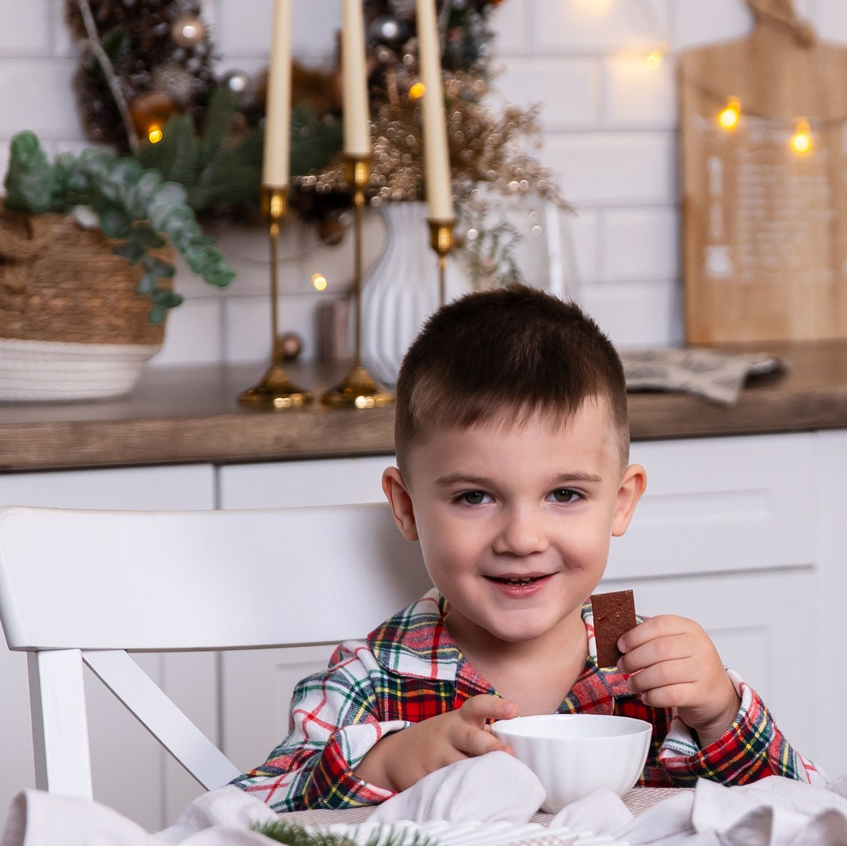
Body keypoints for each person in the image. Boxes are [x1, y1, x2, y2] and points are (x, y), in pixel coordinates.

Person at [243, 288, 810, 808]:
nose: (522, 539)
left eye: (564, 494)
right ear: (408, 506)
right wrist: (383, 766)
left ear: (620, 502)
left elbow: (810, 813)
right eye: (474, 497)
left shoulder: (654, 672)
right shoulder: (371, 679)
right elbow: (244, 814)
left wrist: (721, 716)